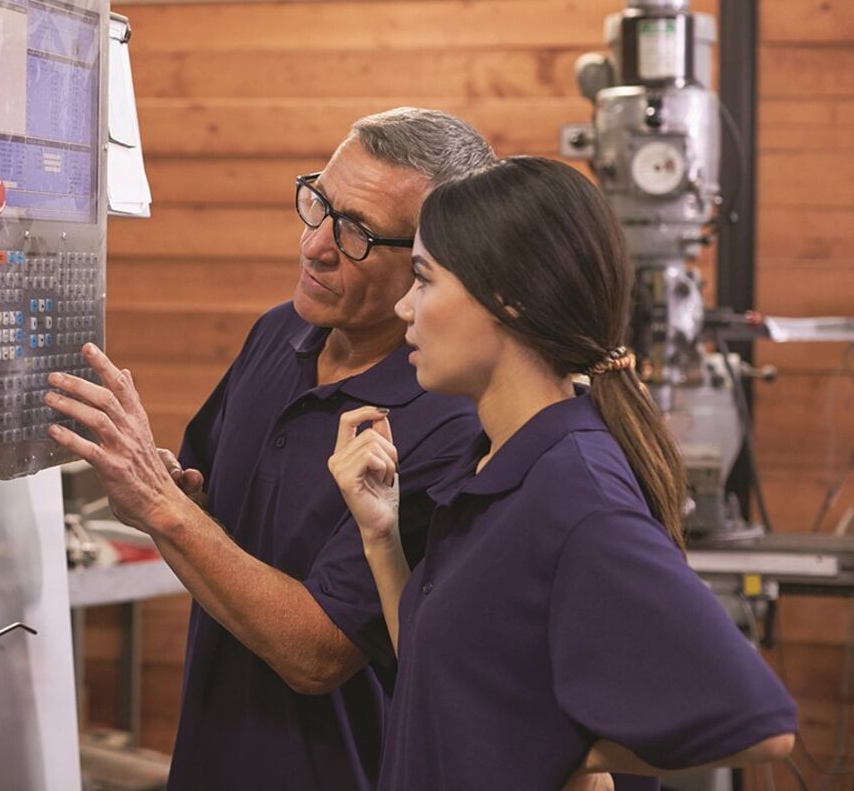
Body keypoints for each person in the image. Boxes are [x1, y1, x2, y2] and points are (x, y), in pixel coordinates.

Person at [45, 109, 495, 789]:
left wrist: (166, 510)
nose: (316, 246)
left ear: (432, 264)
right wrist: (172, 495)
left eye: (356, 234)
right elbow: (213, 518)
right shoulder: (278, 335)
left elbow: (318, 655)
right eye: (319, 205)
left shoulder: (446, 422)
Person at [329, 156, 796, 789]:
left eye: (424, 279)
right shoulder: (493, 462)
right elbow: (440, 677)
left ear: (510, 302)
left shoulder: (574, 495)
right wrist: (381, 538)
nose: (404, 307)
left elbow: (757, 722)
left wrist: (571, 755)